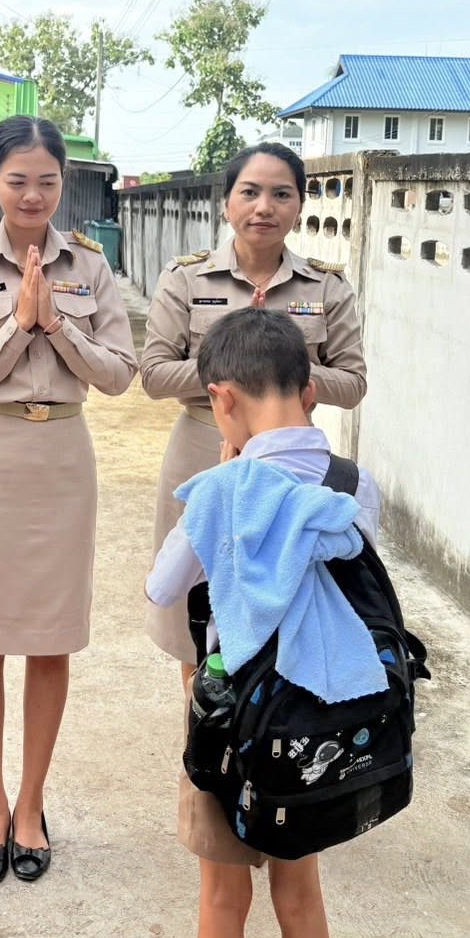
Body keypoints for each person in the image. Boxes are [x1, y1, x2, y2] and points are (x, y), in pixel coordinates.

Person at [145, 309, 381, 938]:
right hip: (318, 722)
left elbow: (162, 587)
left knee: (223, 897)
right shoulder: (353, 484)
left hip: (233, 724)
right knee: (300, 898)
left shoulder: (223, 489)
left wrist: (226, 480)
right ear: (309, 391)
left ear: (221, 399)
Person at [0, 116, 137, 884]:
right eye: (17, 180)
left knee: (51, 641)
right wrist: (19, 329)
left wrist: (56, 323)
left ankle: (30, 804)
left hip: (62, 463)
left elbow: (118, 374)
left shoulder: (90, 265)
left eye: (46, 181)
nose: (32, 194)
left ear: (62, 183)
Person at [141, 142, 367, 669]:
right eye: (250, 192)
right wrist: (239, 366)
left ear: (299, 206)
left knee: (287, 606)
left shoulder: (326, 286)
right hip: (202, 447)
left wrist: (285, 368)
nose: (264, 207)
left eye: (281, 194)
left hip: (293, 465)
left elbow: (353, 383)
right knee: (196, 613)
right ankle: (201, 718)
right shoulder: (187, 278)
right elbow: (153, 374)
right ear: (227, 203)